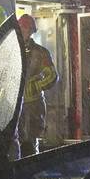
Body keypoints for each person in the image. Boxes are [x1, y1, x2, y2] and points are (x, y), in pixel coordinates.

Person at [17, 13, 57, 155]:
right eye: (20, 28)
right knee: (17, 140)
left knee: (31, 141)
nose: (22, 32)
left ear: (31, 31)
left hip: (33, 104)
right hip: (14, 104)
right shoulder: (13, 50)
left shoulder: (40, 53)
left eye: (25, 29)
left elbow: (52, 76)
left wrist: (36, 86)